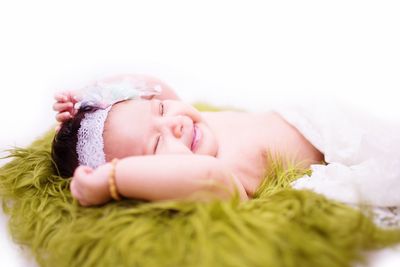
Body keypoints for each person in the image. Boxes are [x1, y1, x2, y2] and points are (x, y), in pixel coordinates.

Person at [51, 74, 324, 206]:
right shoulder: (212, 175)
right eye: (156, 144)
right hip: (333, 153)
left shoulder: (186, 118)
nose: (174, 124)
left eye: (159, 110)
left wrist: (92, 95)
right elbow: (209, 176)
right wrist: (113, 178)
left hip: (319, 118)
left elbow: (153, 87)